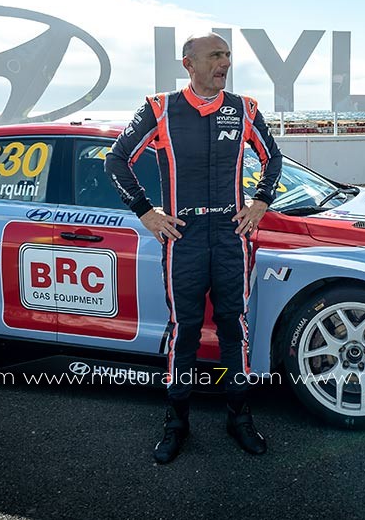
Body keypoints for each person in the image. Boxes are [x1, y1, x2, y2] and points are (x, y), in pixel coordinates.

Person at [104, 33, 282, 464]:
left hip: (229, 235)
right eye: (216, 55)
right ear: (189, 63)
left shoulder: (244, 108)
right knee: (184, 329)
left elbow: (273, 159)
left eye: (228, 55)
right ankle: (176, 422)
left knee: (232, 326)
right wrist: (146, 212)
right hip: (183, 236)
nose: (225, 63)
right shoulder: (160, 108)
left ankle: (239, 417)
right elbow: (116, 160)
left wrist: (260, 202)